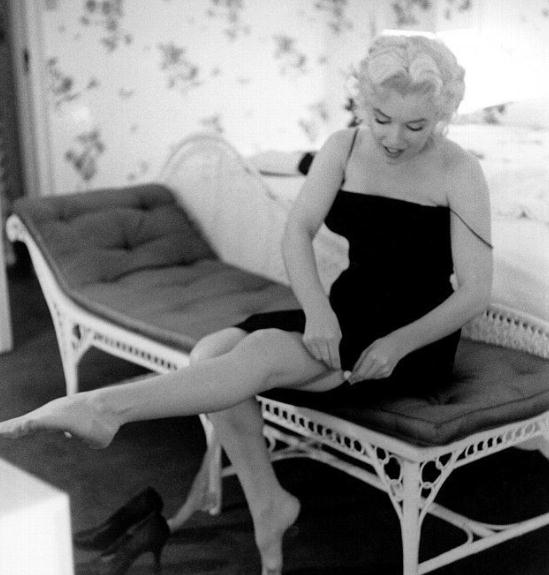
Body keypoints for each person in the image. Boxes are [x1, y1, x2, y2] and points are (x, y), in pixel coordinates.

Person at [0, 33, 492, 575]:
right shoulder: (344, 147)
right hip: (345, 308)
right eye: (381, 118)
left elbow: (474, 291)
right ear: (364, 103)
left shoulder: (459, 170)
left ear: (442, 115)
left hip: (411, 334)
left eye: (416, 126)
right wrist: (319, 311)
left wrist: (397, 344)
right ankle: (269, 503)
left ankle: (105, 408)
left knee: (259, 350)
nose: (394, 138)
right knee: (211, 351)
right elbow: (297, 232)